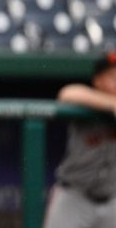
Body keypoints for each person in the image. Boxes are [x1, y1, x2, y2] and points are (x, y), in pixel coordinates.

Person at [43, 52, 116, 228]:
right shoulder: (86, 100)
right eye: (114, 77)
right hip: (75, 195)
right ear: (98, 80)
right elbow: (67, 93)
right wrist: (111, 104)